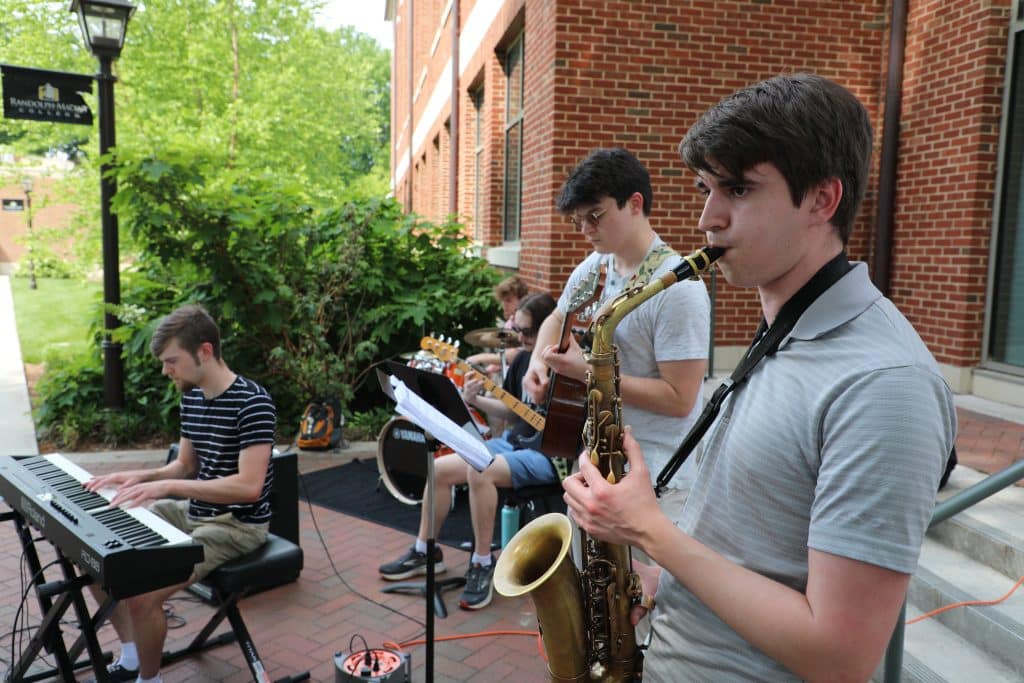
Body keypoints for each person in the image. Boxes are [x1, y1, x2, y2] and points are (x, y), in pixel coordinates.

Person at [563, 73, 957, 682]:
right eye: (704, 187)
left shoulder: (885, 384)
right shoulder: (786, 332)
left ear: (822, 200)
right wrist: (659, 575)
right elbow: (756, 546)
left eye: (738, 189)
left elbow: (840, 655)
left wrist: (651, 531)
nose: (707, 218)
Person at [84, 304, 277, 683]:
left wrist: (168, 486)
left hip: (237, 526)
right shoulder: (191, 396)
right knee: (93, 546)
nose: (165, 370)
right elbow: (184, 466)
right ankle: (131, 655)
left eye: (172, 360)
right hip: (194, 511)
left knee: (143, 594)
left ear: (204, 351)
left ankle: (149, 679)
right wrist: (137, 477)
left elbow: (249, 487)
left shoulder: (253, 403)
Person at [523, 147, 710, 514]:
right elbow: (556, 318)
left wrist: (587, 373)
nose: (586, 230)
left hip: (657, 477)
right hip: (599, 459)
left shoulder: (679, 289)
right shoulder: (596, 265)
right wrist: (537, 364)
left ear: (635, 203)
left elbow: (680, 398)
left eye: (596, 216)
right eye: (578, 221)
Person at [379, 292, 558, 610]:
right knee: (440, 469)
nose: (521, 338)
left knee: (481, 469)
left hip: (553, 456)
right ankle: (425, 550)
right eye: (518, 330)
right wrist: (473, 399)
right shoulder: (520, 361)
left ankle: (482, 562)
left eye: (528, 331)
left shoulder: (565, 365)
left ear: (549, 327)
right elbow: (513, 413)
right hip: (517, 443)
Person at [466, 274, 530, 376]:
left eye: (508, 300)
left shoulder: (529, 325)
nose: (504, 305)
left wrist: (481, 357)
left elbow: (517, 355)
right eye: (503, 301)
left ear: (522, 300)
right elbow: (505, 359)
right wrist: (487, 371)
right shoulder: (509, 324)